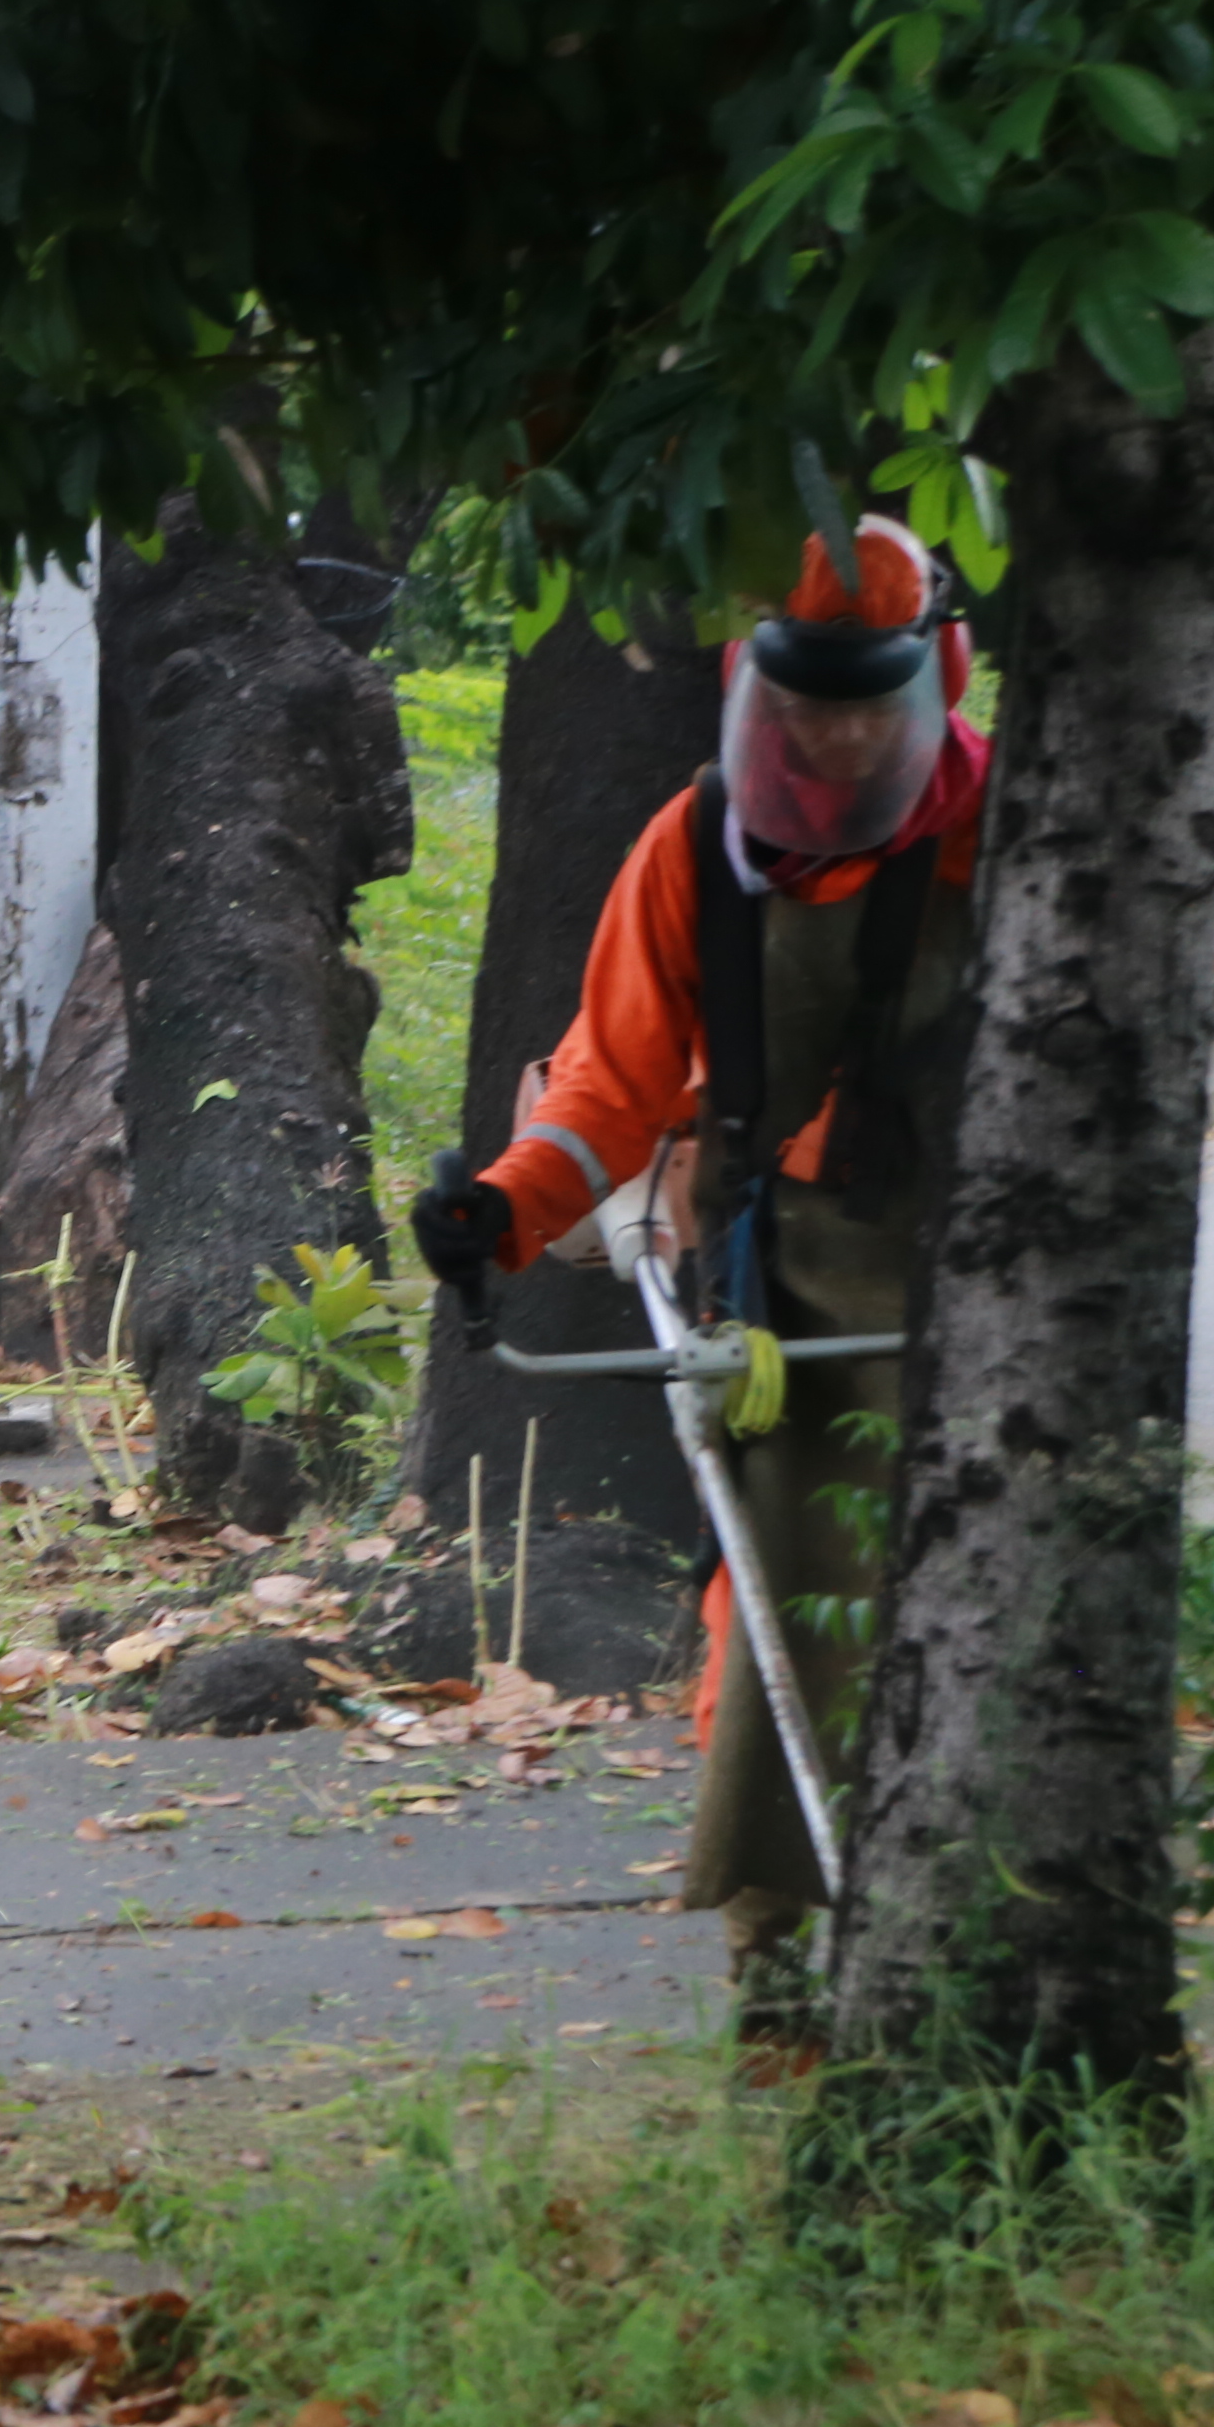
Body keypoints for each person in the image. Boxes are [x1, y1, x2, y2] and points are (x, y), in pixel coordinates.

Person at [402, 521, 983, 2006]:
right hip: (797, 1280)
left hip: (992, 1262)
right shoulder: (697, 851)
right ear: (755, 694)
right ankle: (776, 1947)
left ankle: (988, 1915)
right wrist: (503, 1207)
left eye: (870, 708)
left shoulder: (1006, 827)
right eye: (809, 710)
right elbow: (608, 1084)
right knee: (790, 1596)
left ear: (933, 688)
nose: (841, 740)